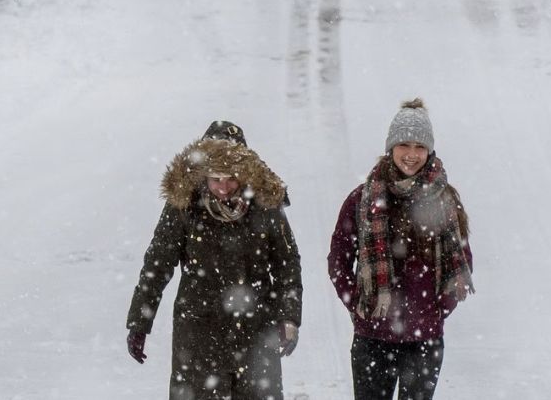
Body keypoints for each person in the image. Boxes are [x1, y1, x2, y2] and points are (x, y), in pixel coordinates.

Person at [127, 121, 302, 400]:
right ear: (202, 175)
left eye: (231, 177)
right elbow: (158, 263)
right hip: (199, 332)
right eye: (215, 178)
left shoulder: (266, 204)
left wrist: (289, 317)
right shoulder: (183, 204)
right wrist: (139, 322)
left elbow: (286, 262)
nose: (223, 187)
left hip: (255, 329)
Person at [327, 99, 474, 400]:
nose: (411, 155)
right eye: (404, 144)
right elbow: (338, 259)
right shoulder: (363, 199)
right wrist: (357, 304)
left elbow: (461, 260)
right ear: (390, 147)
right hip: (373, 337)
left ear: (429, 150)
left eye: (420, 146)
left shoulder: (444, 199)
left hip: (424, 340)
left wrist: (437, 310)